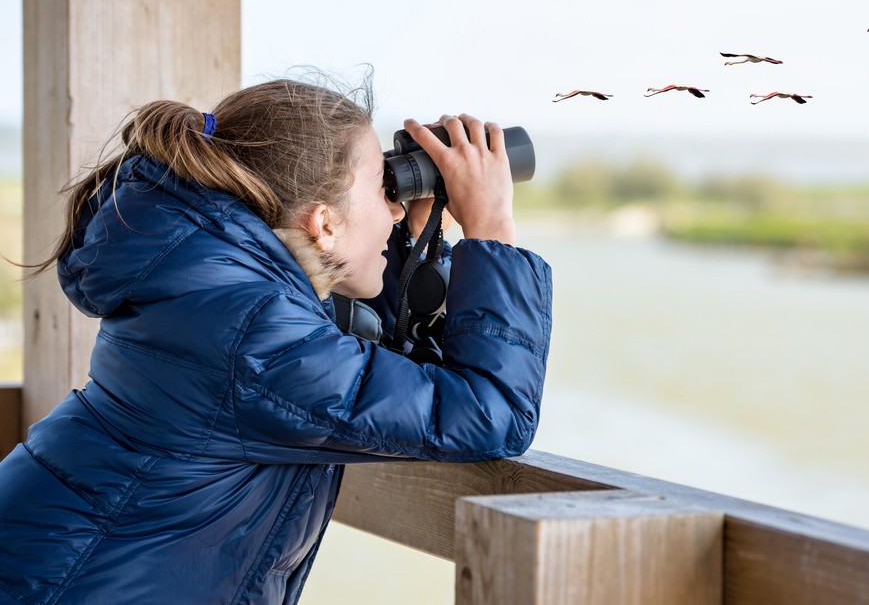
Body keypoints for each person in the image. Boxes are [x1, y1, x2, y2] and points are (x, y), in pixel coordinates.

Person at [0, 76, 552, 603]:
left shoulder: (214, 289)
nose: (393, 204)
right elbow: (489, 412)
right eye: (380, 188)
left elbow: (369, 370)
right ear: (324, 223)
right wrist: (493, 227)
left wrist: (408, 238)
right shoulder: (251, 334)